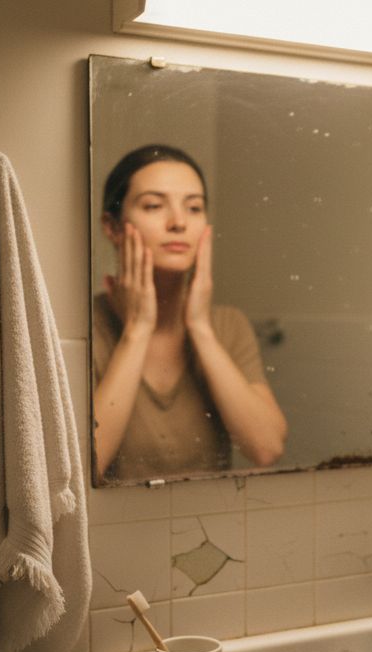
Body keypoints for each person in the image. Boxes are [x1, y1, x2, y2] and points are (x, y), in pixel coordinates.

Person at [92, 144, 286, 482]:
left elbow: (266, 448)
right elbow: (84, 464)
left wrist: (200, 327)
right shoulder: (85, 328)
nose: (179, 222)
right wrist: (137, 329)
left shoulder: (227, 325)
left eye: (194, 208)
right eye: (153, 205)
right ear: (113, 227)